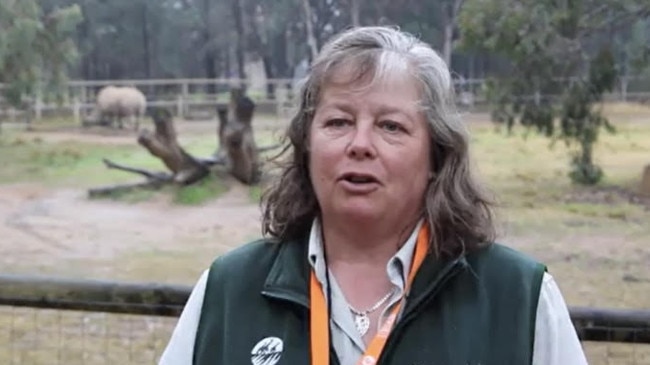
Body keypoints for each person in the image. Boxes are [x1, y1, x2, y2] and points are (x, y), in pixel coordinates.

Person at [159, 26, 588, 365]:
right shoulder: (229, 291)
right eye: (339, 122)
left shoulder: (518, 298)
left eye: (391, 126)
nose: (360, 144)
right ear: (307, 144)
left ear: (437, 154)